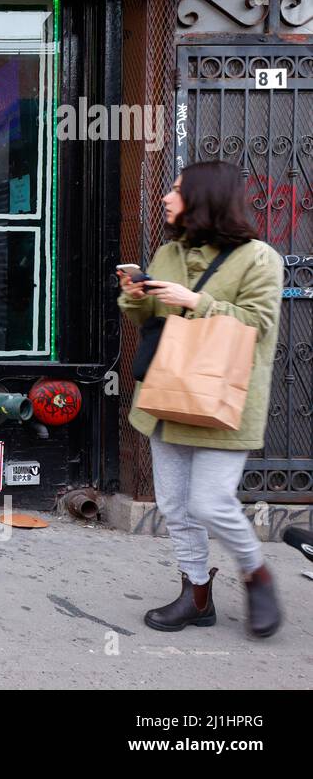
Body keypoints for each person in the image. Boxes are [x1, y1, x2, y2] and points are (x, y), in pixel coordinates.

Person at [118, 160, 283, 637]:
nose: (167, 197)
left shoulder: (259, 258)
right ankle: (196, 593)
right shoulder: (169, 252)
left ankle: (257, 574)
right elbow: (150, 317)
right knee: (174, 506)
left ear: (205, 197)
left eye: (175, 189)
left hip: (222, 401)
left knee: (209, 503)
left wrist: (196, 302)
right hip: (169, 394)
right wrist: (136, 293)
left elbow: (260, 325)